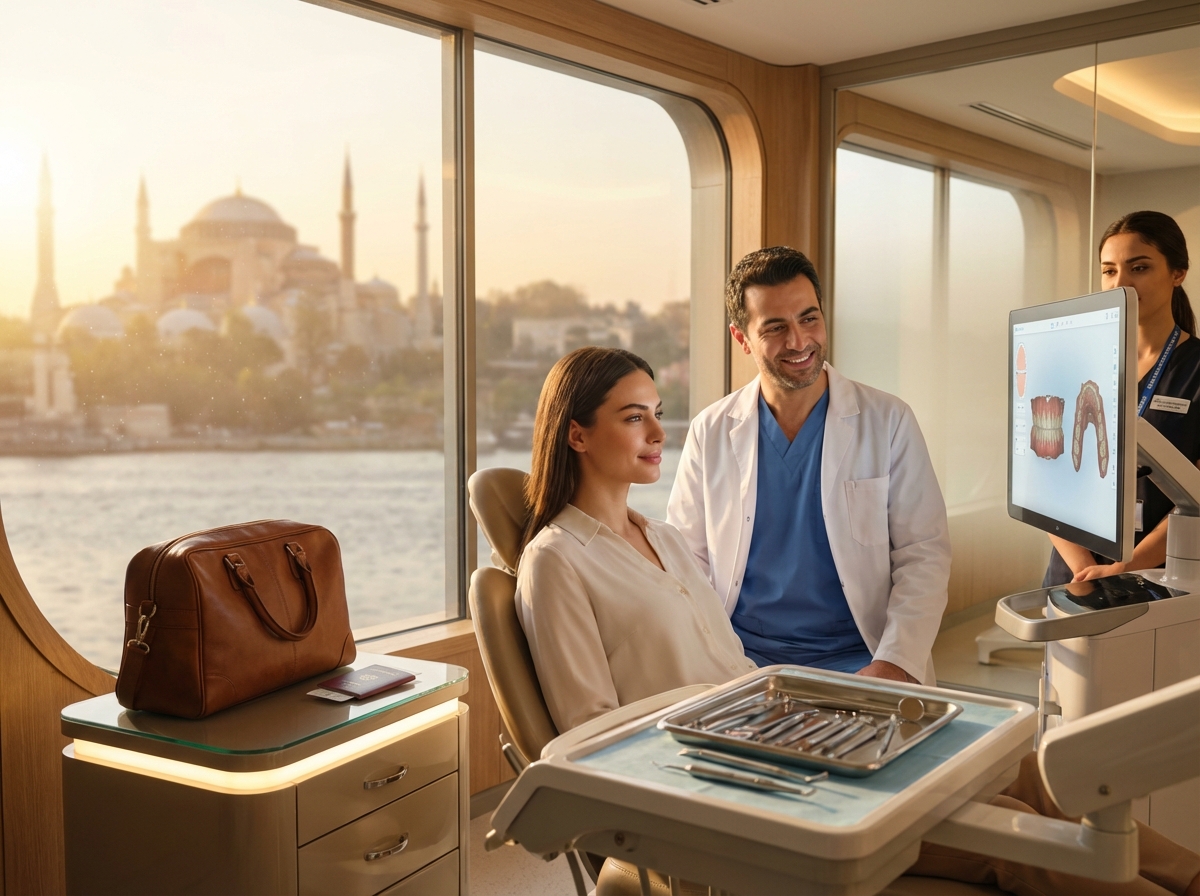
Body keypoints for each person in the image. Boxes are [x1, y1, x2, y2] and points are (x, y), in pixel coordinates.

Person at [667, 246, 950, 684]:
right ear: (741, 338)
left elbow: (923, 554)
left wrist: (895, 662)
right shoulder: (711, 430)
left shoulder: (888, 420)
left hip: (863, 658)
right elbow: (687, 561)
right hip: (740, 661)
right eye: (775, 327)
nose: (799, 341)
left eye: (809, 318)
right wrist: (705, 658)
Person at [514, 346, 756, 733]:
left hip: (758, 722)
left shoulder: (667, 538)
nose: (659, 434)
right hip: (699, 753)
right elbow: (590, 726)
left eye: (657, 414)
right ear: (577, 435)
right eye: (634, 418)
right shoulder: (555, 560)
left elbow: (733, 662)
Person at [1045, 211, 1195, 585]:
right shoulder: (1075, 361)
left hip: (1161, 575)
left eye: (1139, 268)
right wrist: (1083, 567)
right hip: (1073, 571)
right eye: (1109, 271)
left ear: (1178, 273)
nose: (1120, 284)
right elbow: (1047, 476)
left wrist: (1126, 568)